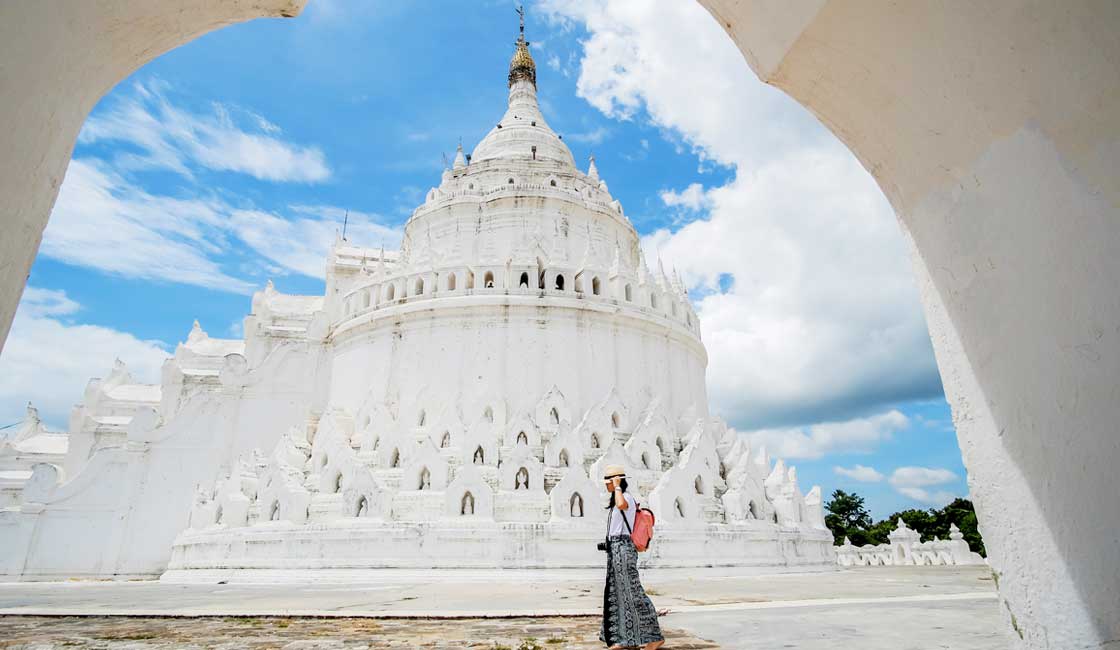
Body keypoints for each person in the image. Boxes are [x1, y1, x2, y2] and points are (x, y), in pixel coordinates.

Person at [599, 465, 664, 650]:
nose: (607, 485)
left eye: (609, 482)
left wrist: (618, 486)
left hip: (624, 549)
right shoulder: (616, 500)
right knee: (618, 594)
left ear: (616, 480)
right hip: (615, 549)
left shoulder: (625, 497)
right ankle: (621, 639)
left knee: (633, 592)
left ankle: (655, 637)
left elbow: (622, 505)